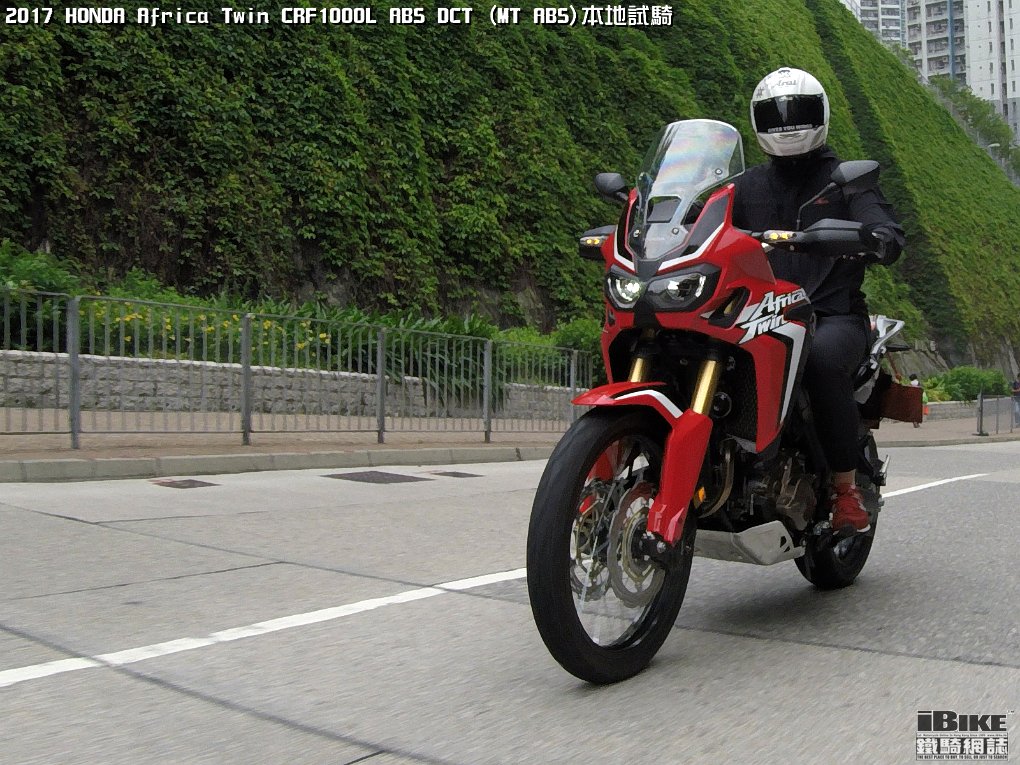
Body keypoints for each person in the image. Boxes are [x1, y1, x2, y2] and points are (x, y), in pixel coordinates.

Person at [731, 67, 905, 535]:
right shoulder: (744, 185)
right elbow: (699, 225)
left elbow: (885, 230)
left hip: (831, 314)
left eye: (798, 113)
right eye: (776, 115)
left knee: (821, 360)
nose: (787, 124)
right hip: (757, 314)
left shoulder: (846, 180)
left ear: (821, 114)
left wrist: (877, 238)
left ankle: (845, 489)